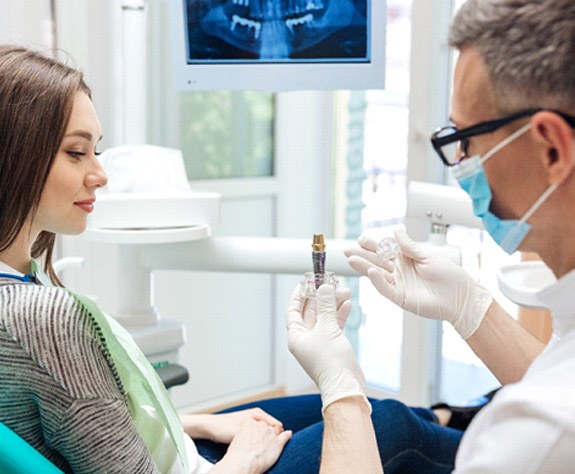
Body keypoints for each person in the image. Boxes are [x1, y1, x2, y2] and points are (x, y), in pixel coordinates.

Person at [0, 44, 457, 474]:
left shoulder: (22, 278)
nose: (99, 175)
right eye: (76, 153)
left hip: (177, 448)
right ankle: (510, 442)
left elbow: (92, 429)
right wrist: (242, 459)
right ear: (13, 155)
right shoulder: (43, 317)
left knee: (383, 412)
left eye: (95, 150)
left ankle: (461, 416)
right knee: (391, 426)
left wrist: (198, 423)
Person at [289, 0, 575, 472]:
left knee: (395, 427)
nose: (462, 164)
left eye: (467, 139)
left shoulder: (539, 433)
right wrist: (471, 307)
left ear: (550, 148)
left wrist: (340, 387)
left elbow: (551, 407)